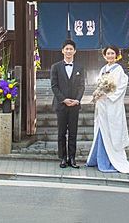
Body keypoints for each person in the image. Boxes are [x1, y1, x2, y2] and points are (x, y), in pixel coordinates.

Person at [86, 46, 129, 174]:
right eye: (108, 53)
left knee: (112, 133)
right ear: (104, 56)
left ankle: (111, 160)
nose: (110, 56)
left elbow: (120, 88)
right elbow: (100, 84)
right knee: (101, 130)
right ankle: (99, 159)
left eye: (112, 53)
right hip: (102, 106)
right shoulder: (103, 69)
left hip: (112, 106)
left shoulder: (118, 70)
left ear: (117, 55)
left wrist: (107, 95)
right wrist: (98, 93)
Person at [50, 39, 85, 169]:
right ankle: (63, 158)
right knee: (61, 132)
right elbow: (54, 86)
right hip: (61, 105)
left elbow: (82, 86)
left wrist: (77, 100)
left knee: (73, 132)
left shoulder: (80, 67)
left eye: (71, 49)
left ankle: (72, 158)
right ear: (62, 51)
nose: (69, 51)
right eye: (67, 49)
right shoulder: (55, 67)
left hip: (74, 105)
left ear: (75, 51)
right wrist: (63, 99)